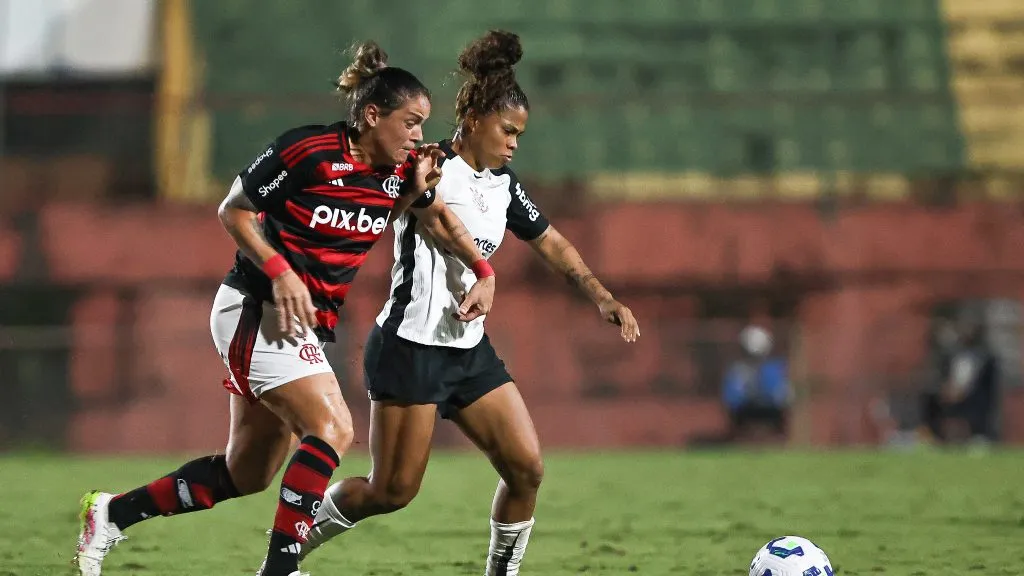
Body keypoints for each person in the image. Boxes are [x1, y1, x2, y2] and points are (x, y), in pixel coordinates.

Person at [74, 41, 498, 576]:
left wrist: (482, 270)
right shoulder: (309, 151)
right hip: (257, 307)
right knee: (333, 429)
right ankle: (281, 568)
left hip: (305, 321)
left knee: (246, 473)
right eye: (410, 122)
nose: (417, 135)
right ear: (372, 115)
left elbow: (438, 222)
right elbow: (235, 211)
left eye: (421, 125)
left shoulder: (405, 171)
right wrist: (280, 272)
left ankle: (111, 514)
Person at [296, 30, 640, 576]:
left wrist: (601, 295)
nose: (514, 143)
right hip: (411, 347)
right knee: (391, 491)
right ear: (476, 118)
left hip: (467, 352)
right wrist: (484, 273)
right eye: (508, 130)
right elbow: (433, 221)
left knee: (526, 469)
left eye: (520, 134)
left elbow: (549, 239)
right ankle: (292, 543)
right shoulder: (428, 166)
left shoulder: (502, 184)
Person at [721, 325, 790, 441]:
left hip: (766, 410)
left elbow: (781, 394)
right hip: (747, 410)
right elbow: (731, 397)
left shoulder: (772, 368)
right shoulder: (738, 369)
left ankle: (776, 438)